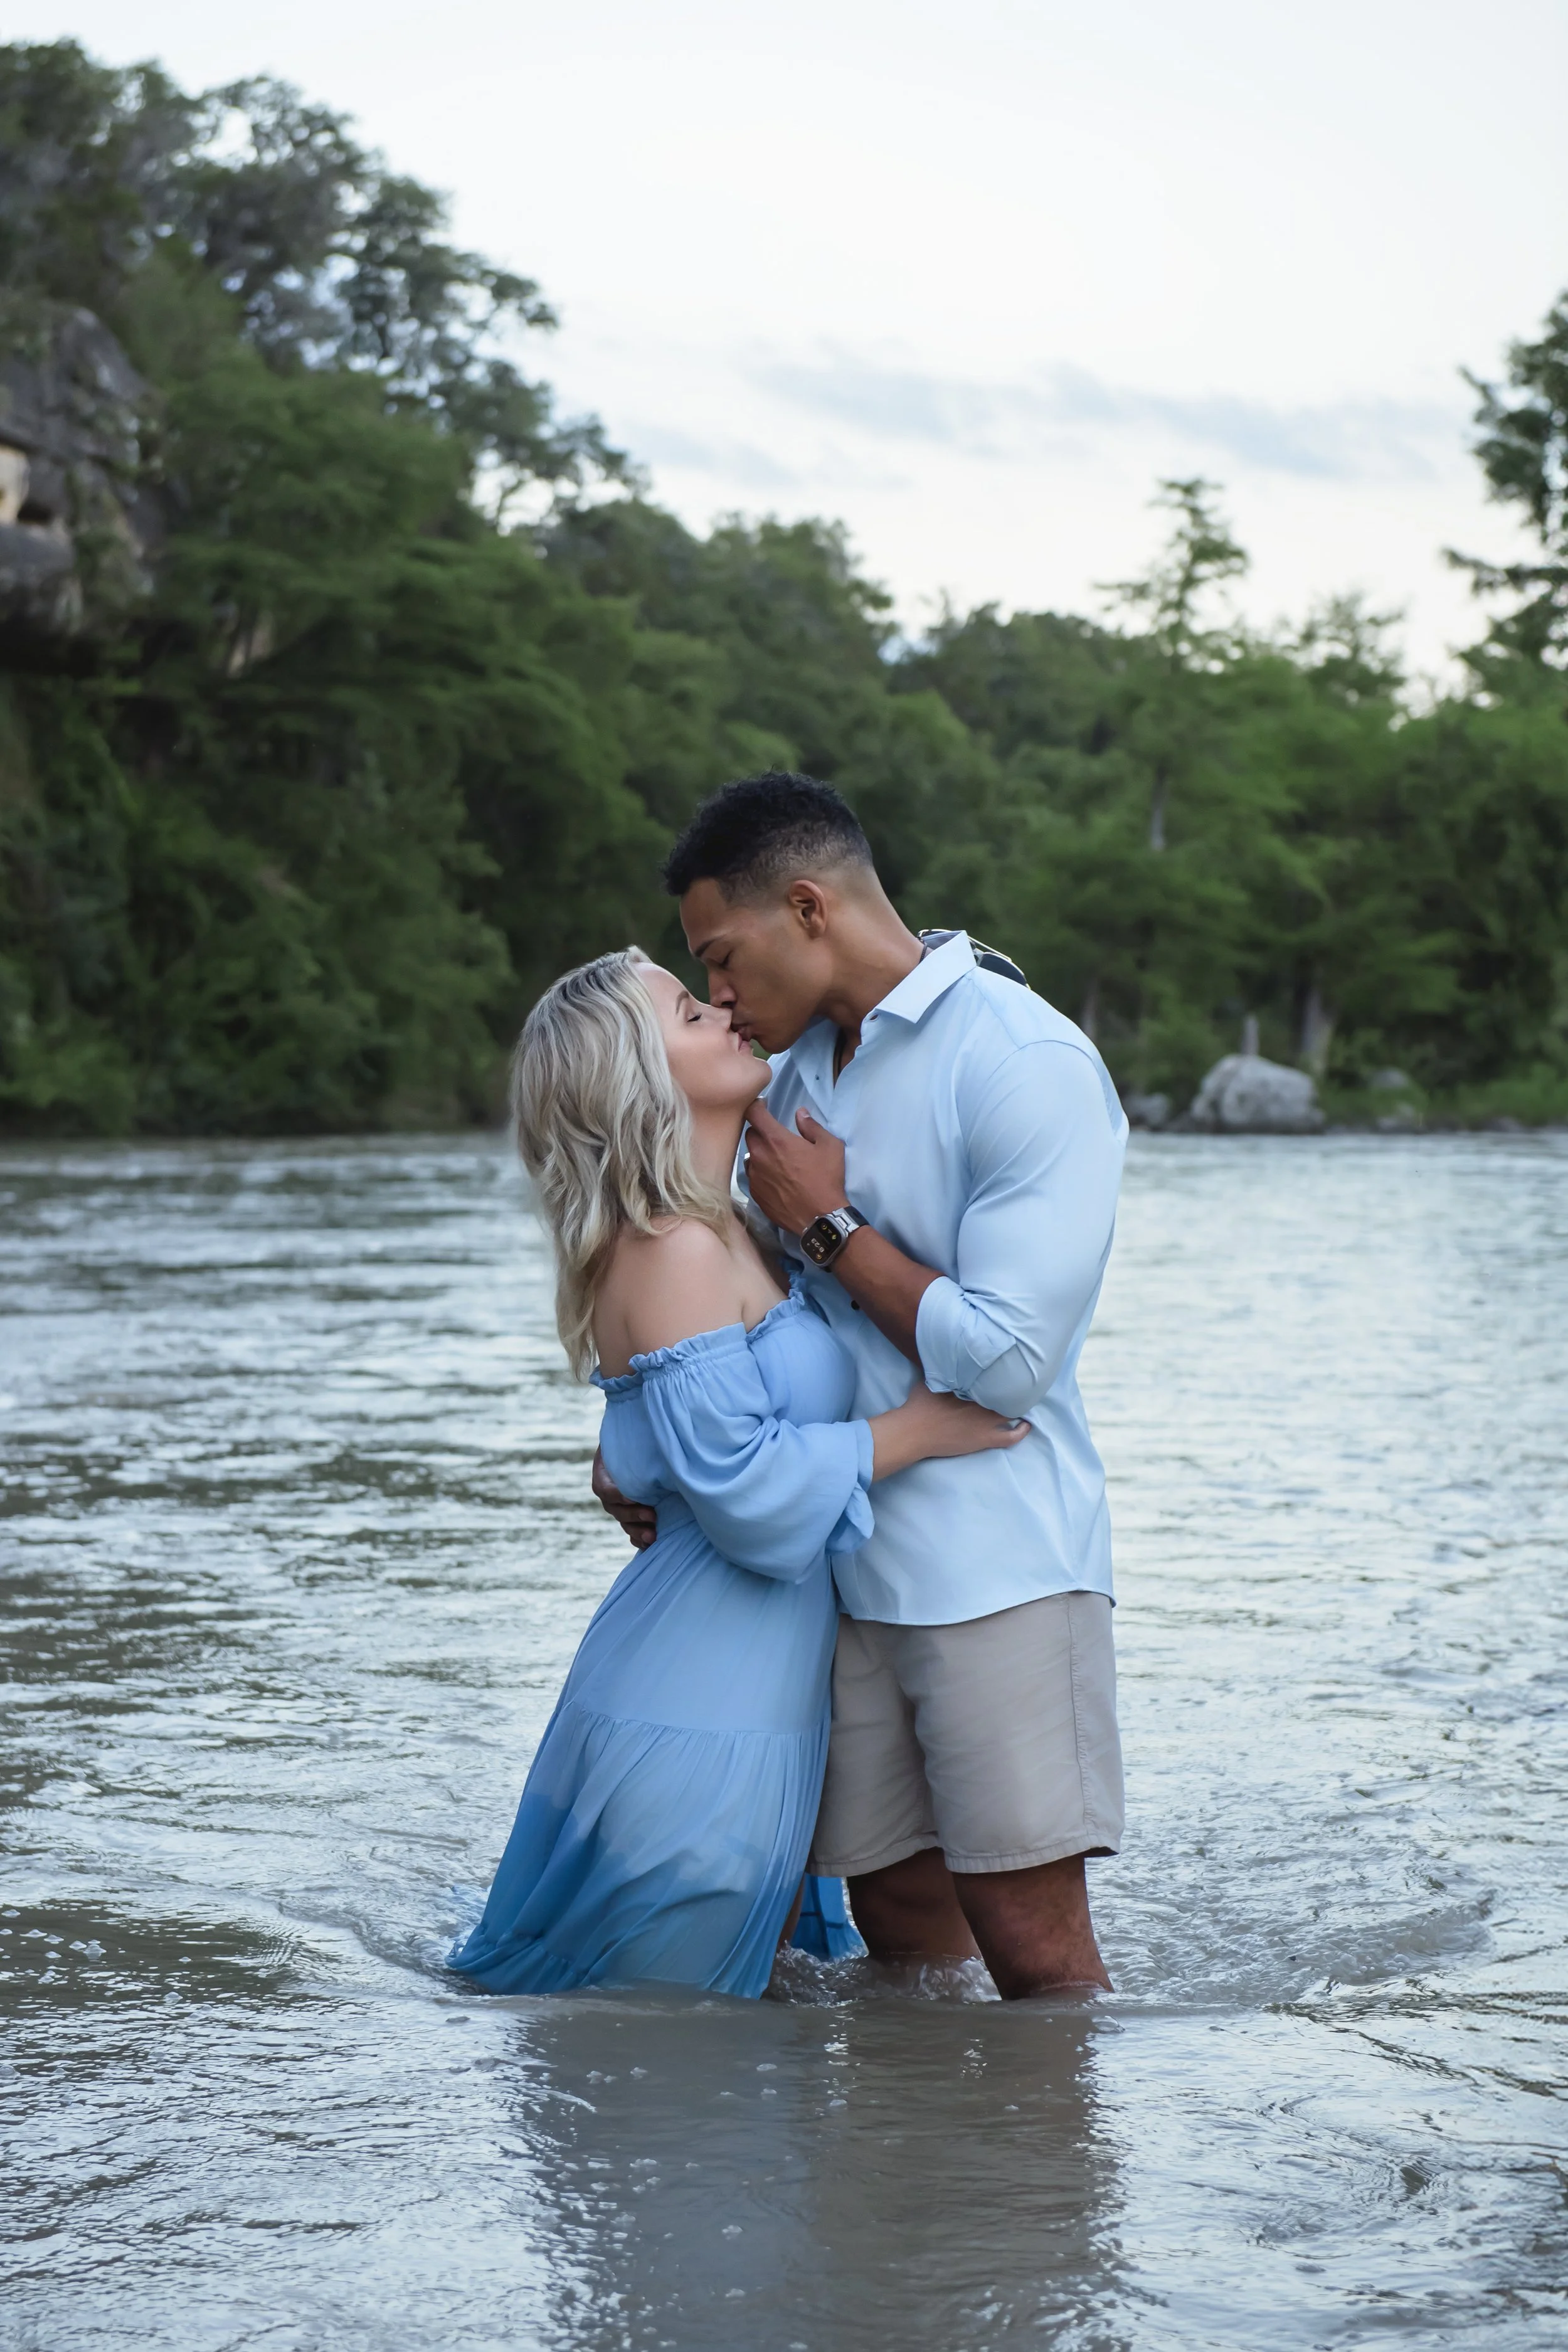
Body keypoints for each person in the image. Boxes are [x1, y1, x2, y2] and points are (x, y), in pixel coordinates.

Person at [594, 773, 1128, 1998]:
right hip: (826, 1572)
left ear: (805, 907)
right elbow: (702, 1280)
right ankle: (917, 2179)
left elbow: (1007, 1363)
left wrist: (828, 1225)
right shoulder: (778, 1075)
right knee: (892, 1923)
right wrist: (633, 1432)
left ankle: (1053, 2193)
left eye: (722, 961)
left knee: (1032, 1944)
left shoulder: (1021, 1061)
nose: (718, 997)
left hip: (997, 1562)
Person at [450, 947, 1024, 1998]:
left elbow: (691, 1424)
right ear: (638, 1075)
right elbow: (755, 1502)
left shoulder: (731, 1229)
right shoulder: (672, 1247)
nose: (720, 1011)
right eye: (685, 1009)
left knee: (716, 2091)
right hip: (693, 1723)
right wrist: (920, 1429)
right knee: (667, 2090)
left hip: (742, 1706)